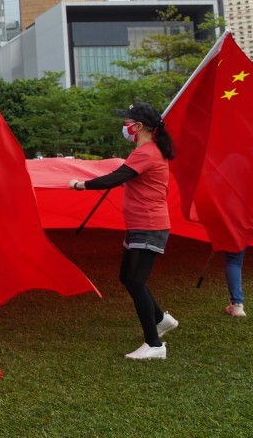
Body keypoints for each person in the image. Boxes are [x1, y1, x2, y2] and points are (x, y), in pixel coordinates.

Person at [68, 101, 178, 360]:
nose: (124, 126)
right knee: (127, 278)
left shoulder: (147, 152)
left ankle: (155, 345)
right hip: (141, 224)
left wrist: (80, 184)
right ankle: (162, 320)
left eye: (127, 122)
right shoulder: (148, 150)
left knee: (136, 281)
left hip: (149, 225)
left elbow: (115, 178)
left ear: (138, 126)